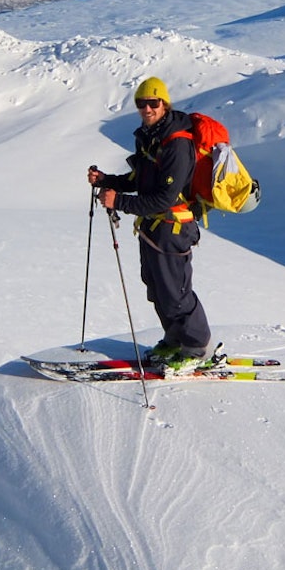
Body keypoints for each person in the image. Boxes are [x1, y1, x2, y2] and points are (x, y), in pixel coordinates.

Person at [88, 76, 215, 372]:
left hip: (173, 227)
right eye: (141, 103)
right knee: (157, 288)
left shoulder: (176, 143)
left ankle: (196, 348)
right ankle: (175, 340)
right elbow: (138, 180)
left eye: (153, 103)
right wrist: (107, 181)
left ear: (164, 103)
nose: (147, 109)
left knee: (176, 294)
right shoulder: (150, 136)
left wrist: (119, 202)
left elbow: (164, 198)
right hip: (153, 228)